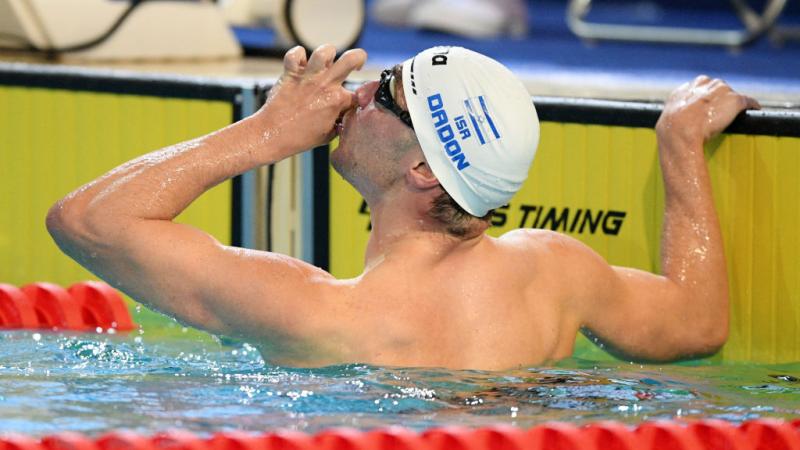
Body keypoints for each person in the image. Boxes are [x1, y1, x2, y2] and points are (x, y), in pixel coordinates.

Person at [47, 44, 759, 370]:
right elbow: (697, 323)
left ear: (424, 167)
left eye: (385, 95)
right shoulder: (555, 272)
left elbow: (84, 221)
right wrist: (679, 143)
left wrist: (263, 134)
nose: (354, 95)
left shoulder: (322, 315)